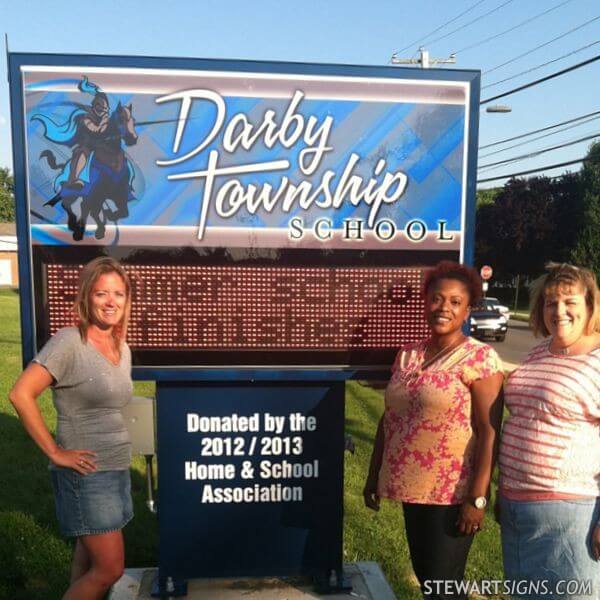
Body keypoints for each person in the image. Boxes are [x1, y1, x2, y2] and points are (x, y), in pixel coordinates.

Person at [363, 260, 504, 600]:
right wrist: (373, 474)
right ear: (426, 302)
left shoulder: (480, 359)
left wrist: (478, 498)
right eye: (437, 299)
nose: (445, 308)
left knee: (444, 589)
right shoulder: (408, 355)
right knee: (429, 582)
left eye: (456, 302)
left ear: (468, 310)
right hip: (413, 491)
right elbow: (389, 418)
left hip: (452, 495)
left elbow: (489, 432)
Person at [9, 256, 134, 600]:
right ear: (85, 298)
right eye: (101, 294)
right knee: (110, 569)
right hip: (87, 473)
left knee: (87, 558)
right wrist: (54, 452)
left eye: (118, 294)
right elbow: (21, 394)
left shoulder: (121, 348)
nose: (111, 302)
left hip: (115, 468)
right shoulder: (69, 342)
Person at [498, 263, 600, 599]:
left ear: (590, 307)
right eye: (550, 302)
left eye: (570, 302)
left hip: (571, 514)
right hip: (515, 506)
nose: (559, 311)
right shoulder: (537, 352)